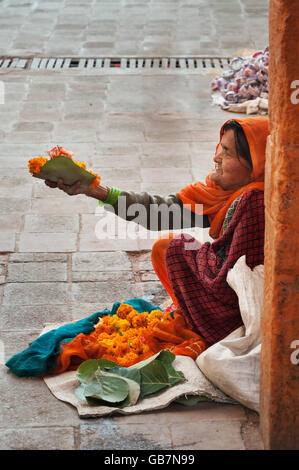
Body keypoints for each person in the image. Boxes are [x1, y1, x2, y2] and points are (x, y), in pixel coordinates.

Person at [45, 117, 269, 347]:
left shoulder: (254, 202)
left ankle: (205, 326)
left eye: (228, 153)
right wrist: (95, 190)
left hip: (237, 306)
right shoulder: (222, 195)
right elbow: (160, 212)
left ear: (256, 164)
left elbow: (235, 282)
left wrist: (186, 252)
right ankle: (192, 315)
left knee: (176, 247)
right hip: (227, 285)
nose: (216, 157)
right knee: (165, 246)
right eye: (220, 147)